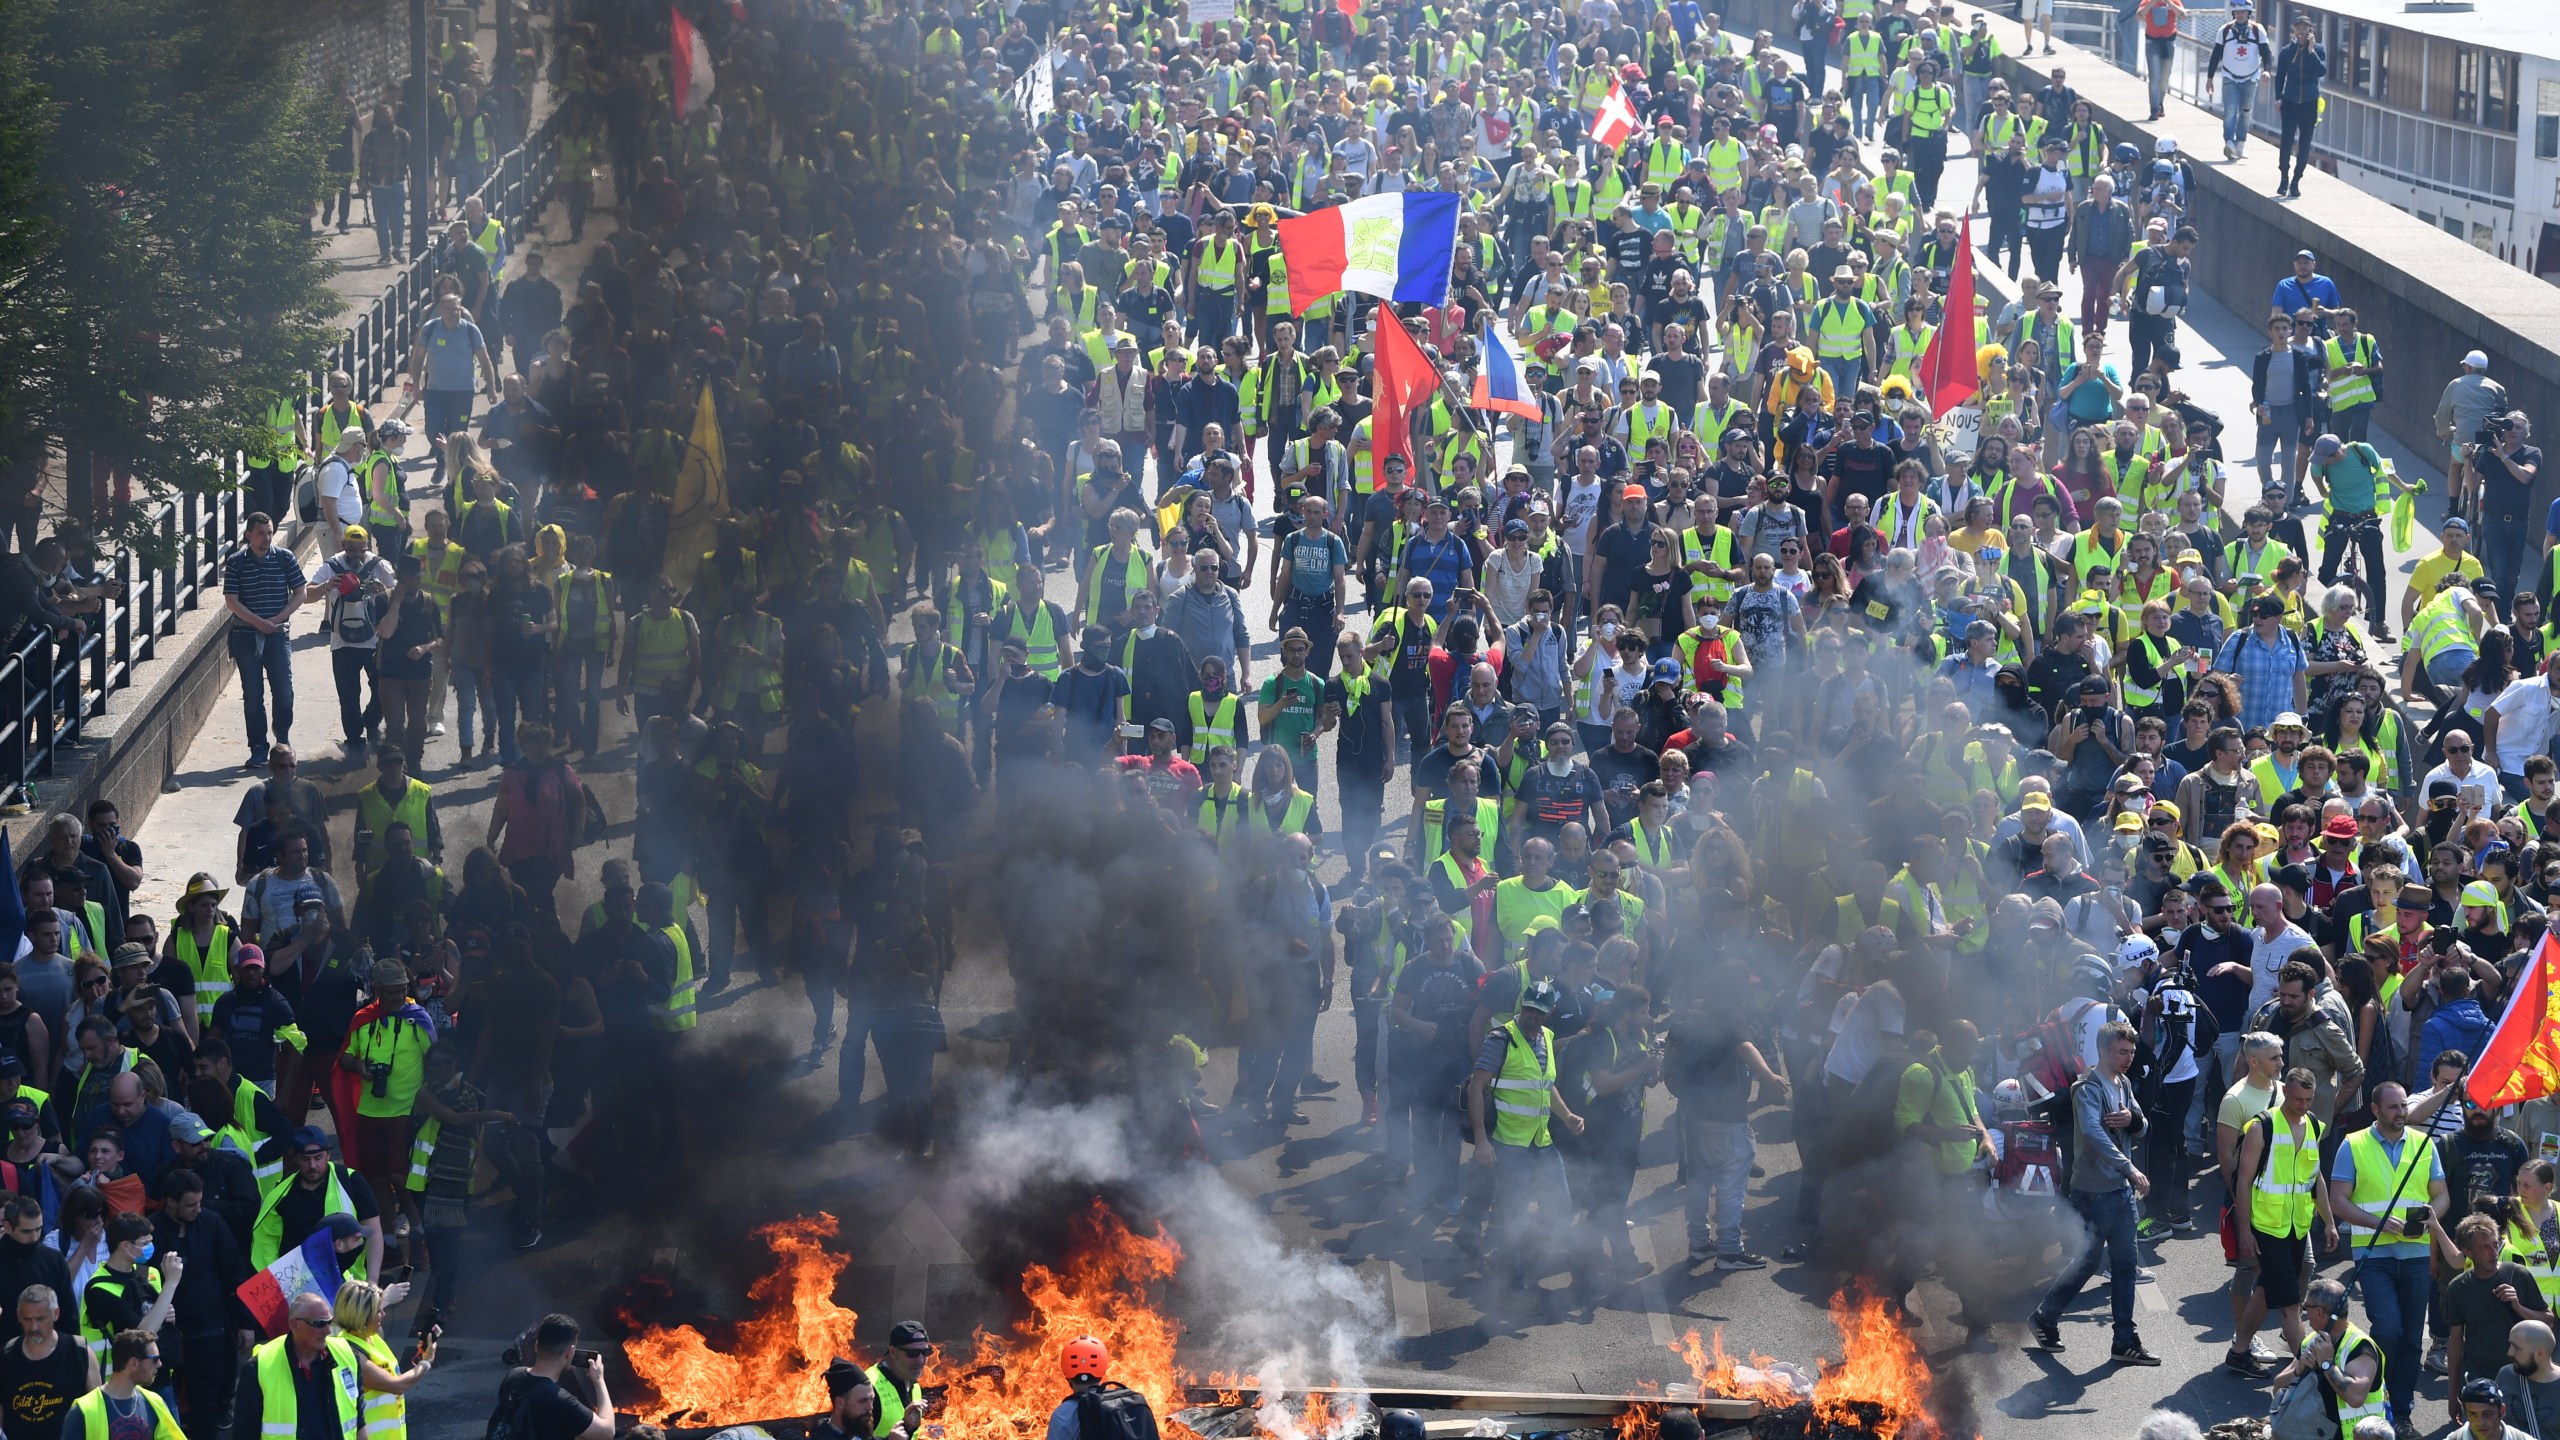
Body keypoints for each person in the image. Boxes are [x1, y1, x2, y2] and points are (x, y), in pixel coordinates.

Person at [2031, 1021, 2162, 1365]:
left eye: (2131, 1052)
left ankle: (2124, 1340)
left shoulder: (2124, 1082)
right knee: (2087, 1263)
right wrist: (2129, 1168)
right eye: (2122, 1052)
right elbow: (2092, 1133)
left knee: (2125, 1264)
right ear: (2103, 1051)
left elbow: (2143, 1125)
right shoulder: (2086, 1088)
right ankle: (2044, 1317)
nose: (2128, 1058)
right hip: (2093, 1192)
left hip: (2119, 1191)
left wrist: (2132, 1119)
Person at [2332, 1081, 2459, 1429]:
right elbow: (2338, 1201)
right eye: (2393, 1107)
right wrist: (2378, 1222)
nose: (2401, 1112)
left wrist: (2433, 1216)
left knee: (2409, 1337)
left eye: (2404, 1106)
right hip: (2373, 1256)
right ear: (2375, 1110)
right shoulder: (2353, 1144)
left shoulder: (2423, 1144)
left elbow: (2442, 1196)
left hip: (2416, 1255)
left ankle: (2400, 1414)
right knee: (2387, 1330)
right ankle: (2378, 1396)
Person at [221, 515, 307, 771]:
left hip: (277, 635)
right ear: (249, 535)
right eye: (260, 533)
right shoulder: (237, 562)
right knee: (253, 695)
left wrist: (277, 619)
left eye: (269, 533)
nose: (266, 538)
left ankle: (282, 740)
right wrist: (258, 622)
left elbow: (300, 592)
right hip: (246, 636)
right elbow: (232, 601)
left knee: (284, 692)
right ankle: (258, 748)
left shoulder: (284, 557)